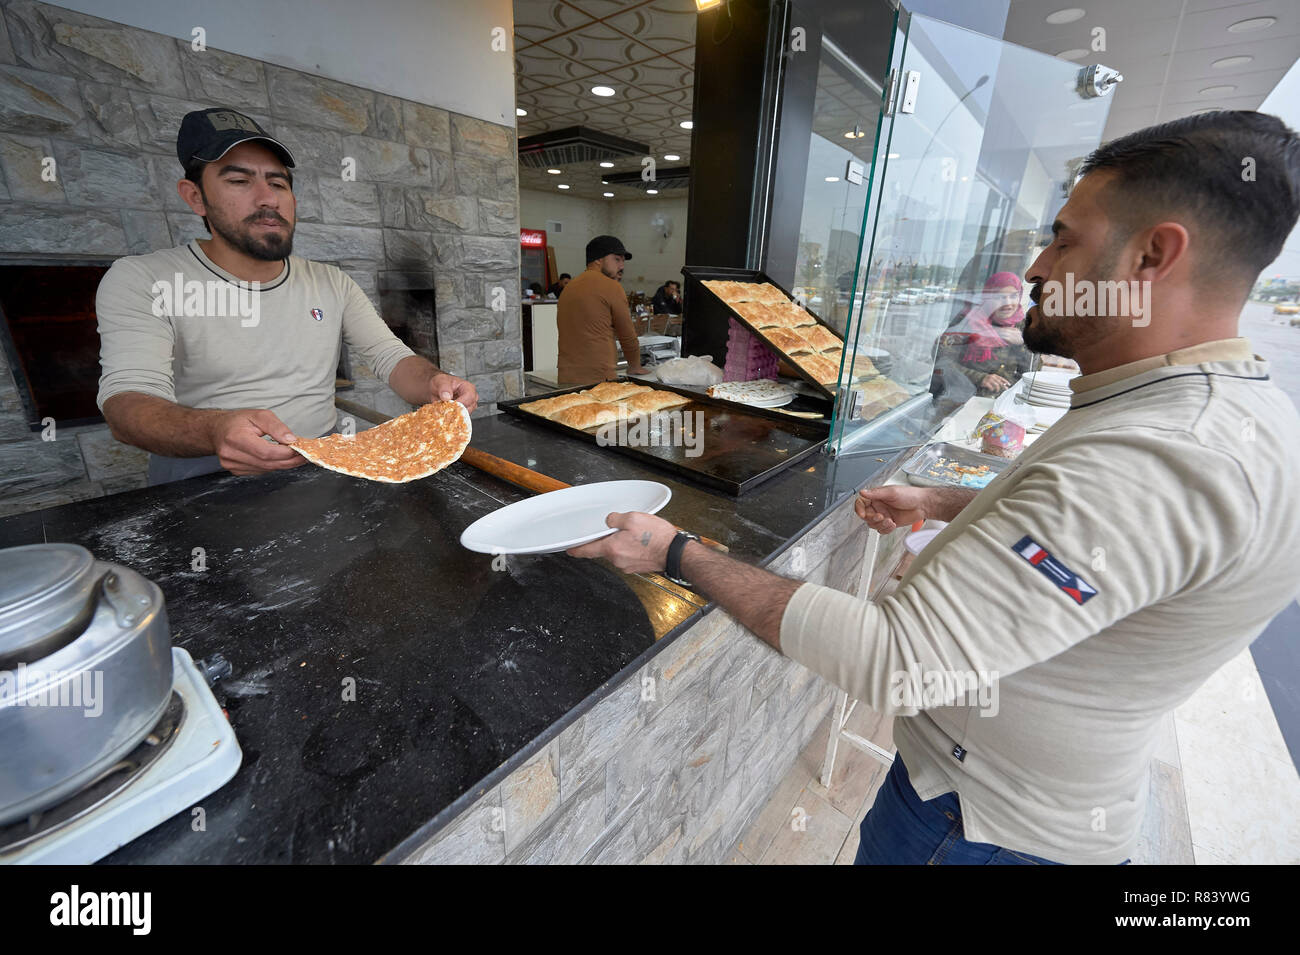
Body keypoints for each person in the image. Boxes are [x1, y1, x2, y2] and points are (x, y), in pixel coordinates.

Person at [568, 110, 1300, 865]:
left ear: (1154, 254)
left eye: (1065, 237)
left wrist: (677, 551)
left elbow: (896, 659)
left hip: (978, 829)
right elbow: (1105, 551)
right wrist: (951, 500)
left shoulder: (1164, 455)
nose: (1041, 267)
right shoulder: (1218, 410)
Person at [96, 107, 477, 485]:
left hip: (323, 463)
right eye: (239, 181)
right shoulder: (144, 278)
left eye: (278, 183)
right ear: (195, 197)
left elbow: (389, 357)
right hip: (201, 475)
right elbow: (127, 403)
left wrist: (434, 382)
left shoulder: (331, 282)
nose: (268, 199)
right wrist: (213, 430)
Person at [556, 235, 648, 385]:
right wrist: (635, 366)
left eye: (623, 261)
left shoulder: (569, 288)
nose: (622, 266)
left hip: (566, 376)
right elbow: (627, 335)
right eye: (617, 259)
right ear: (598, 259)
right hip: (598, 378)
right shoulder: (611, 287)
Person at [935, 272, 1033, 395]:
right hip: (962, 399)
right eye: (999, 297)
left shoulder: (1024, 326)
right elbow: (941, 363)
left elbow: (1032, 375)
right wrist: (979, 378)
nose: (1007, 303)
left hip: (1003, 402)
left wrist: (1023, 345)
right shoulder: (967, 321)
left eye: (1013, 296)